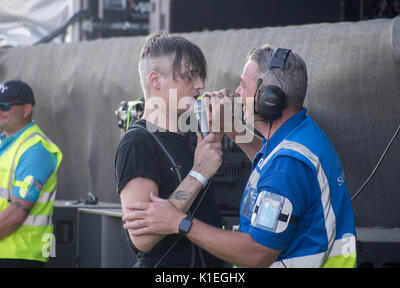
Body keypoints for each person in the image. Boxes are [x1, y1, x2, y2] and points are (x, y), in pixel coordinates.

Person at [122, 44, 357, 268]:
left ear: (270, 98)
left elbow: (257, 254)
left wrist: (179, 222)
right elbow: (269, 160)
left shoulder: (288, 164)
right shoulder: (301, 136)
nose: (236, 92)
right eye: (189, 75)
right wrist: (232, 130)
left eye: (244, 85)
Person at [114, 33, 225, 267]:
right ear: (155, 80)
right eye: (189, 75)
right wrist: (198, 174)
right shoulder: (137, 142)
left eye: (201, 74)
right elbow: (142, 239)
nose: (200, 85)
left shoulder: (188, 139)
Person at [0, 79, 63, 268]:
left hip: (20, 255)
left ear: (26, 109)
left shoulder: (36, 149)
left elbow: (17, 213)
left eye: (4, 106)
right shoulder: (6, 143)